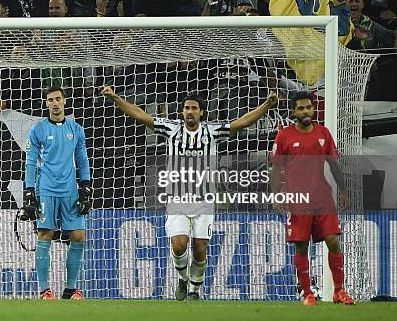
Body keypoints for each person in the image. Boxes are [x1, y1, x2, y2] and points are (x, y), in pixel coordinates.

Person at [101, 86, 277, 300]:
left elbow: (243, 122)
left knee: (200, 248)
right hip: (177, 199)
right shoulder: (171, 129)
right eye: (186, 108)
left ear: (202, 112)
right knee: (178, 244)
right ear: (182, 111)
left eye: (194, 108)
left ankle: (194, 289)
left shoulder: (212, 132)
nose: (189, 111)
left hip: (204, 201)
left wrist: (267, 104)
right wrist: (115, 97)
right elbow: (140, 115)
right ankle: (184, 279)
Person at [270, 91, 355, 306]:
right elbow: (277, 169)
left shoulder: (323, 133)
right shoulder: (284, 136)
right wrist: (277, 195)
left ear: (313, 109)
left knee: (333, 241)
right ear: (293, 112)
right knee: (301, 246)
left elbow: (333, 164)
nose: (306, 111)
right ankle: (307, 293)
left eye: (308, 107)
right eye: (300, 108)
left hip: (322, 197)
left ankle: (339, 291)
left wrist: (343, 190)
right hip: (297, 199)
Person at [23, 86, 92, 300]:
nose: (54, 103)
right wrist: (29, 192)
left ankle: (70, 290)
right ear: (46, 103)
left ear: (64, 102)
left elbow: (82, 160)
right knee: (45, 234)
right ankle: (45, 291)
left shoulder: (76, 129)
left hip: (70, 190)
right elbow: (31, 162)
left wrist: (86, 187)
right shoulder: (38, 130)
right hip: (46, 189)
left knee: (79, 237)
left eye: (57, 99)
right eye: (50, 100)